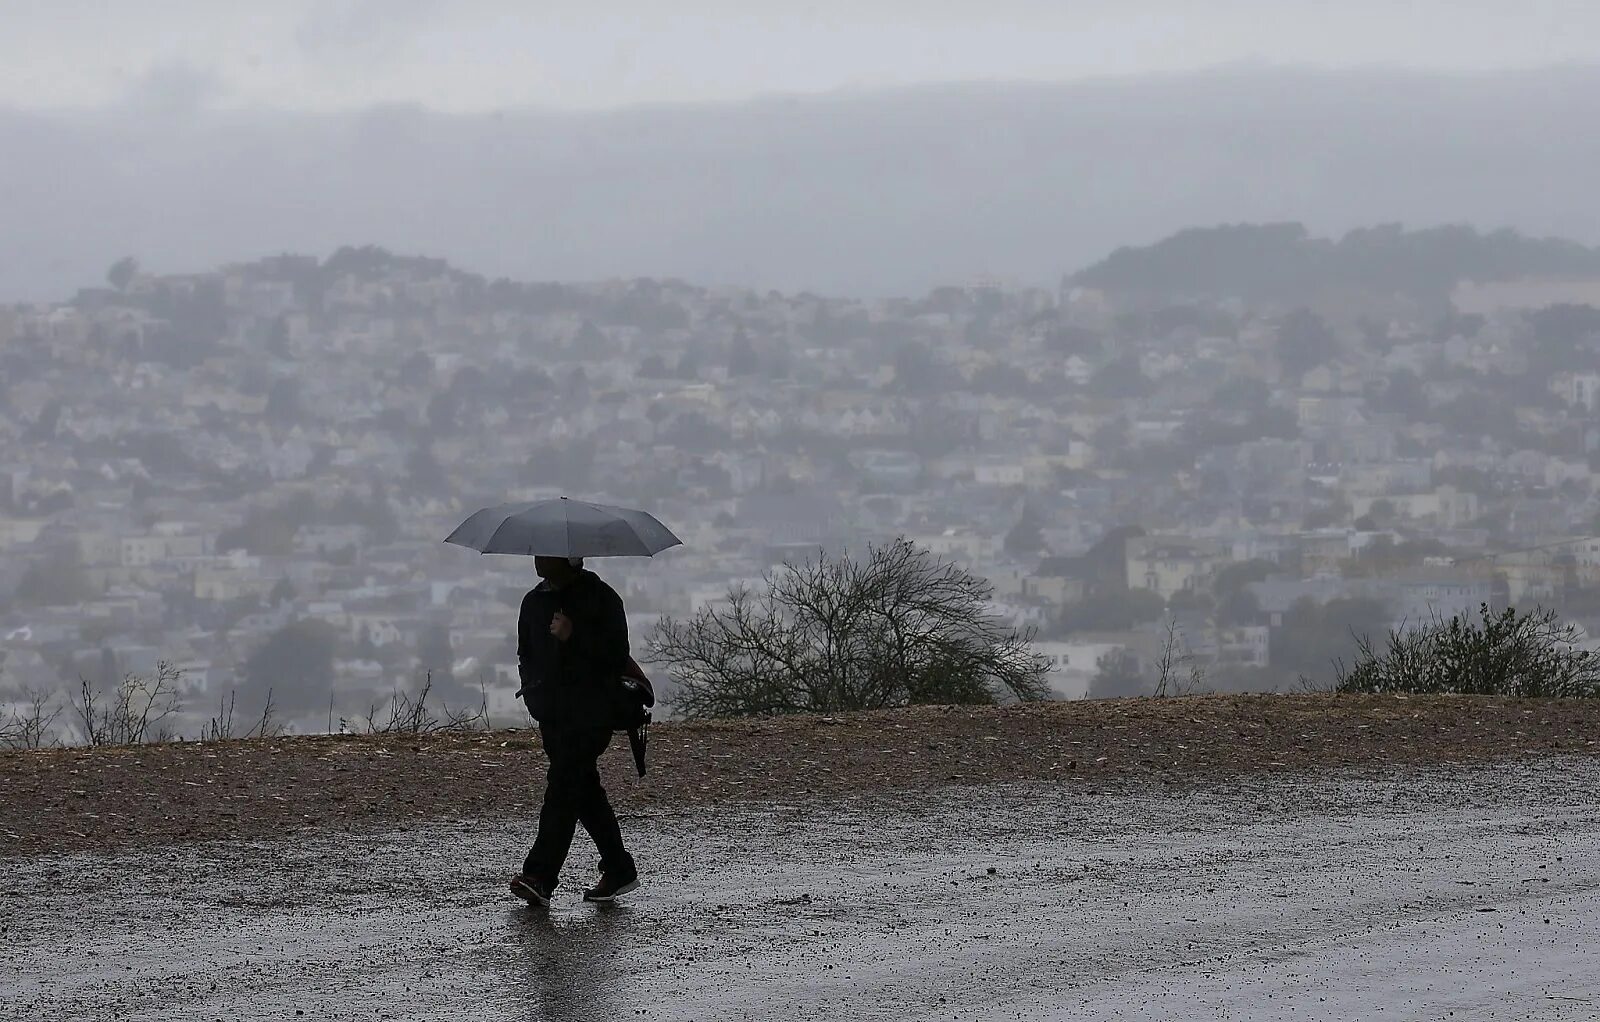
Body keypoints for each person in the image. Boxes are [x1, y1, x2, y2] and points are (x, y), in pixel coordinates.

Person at [509, 555, 639, 906]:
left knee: (564, 784)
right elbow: (526, 653)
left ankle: (540, 875)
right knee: (583, 790)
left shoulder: (602, 598)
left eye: (546, 552)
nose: (537, 559)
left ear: (568, 558)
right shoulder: (533, 602)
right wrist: (534, 694)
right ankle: (619, 867)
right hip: (553, 714)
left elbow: (615, 656)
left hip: (592, 713)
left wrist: (573, 636)